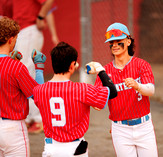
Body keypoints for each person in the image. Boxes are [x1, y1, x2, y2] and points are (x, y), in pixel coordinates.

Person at [32, 41, 117, 157]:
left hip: (51, 149)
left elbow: (37, 86)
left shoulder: (39, 90)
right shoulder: (81, 89)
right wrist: (101, 71)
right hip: (75, 149)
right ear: (72, 66)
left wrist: (39, 68)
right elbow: (112, 92)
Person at [94, 22, 158, 157]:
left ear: (128, 41)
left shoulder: (141, 65)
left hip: (144, 126)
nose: (114, 45)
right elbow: (98, 102)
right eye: (111, 42)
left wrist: (137, 86)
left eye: (119, 41)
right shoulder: (104, 72)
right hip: (120, 129)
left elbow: (151, 90)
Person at [0, 16, 46, 157]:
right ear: (11, 39)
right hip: (13, 129)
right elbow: (38, 95)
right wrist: (39, 68)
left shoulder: (14, 65)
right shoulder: (16, 67)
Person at [12, 0, 58, 133]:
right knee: (23, 73)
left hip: (29, 29)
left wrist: (40, 17)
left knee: (27, 73)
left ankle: (38, 118)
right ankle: (29, 117)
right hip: (21, 30)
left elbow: (49, 2)